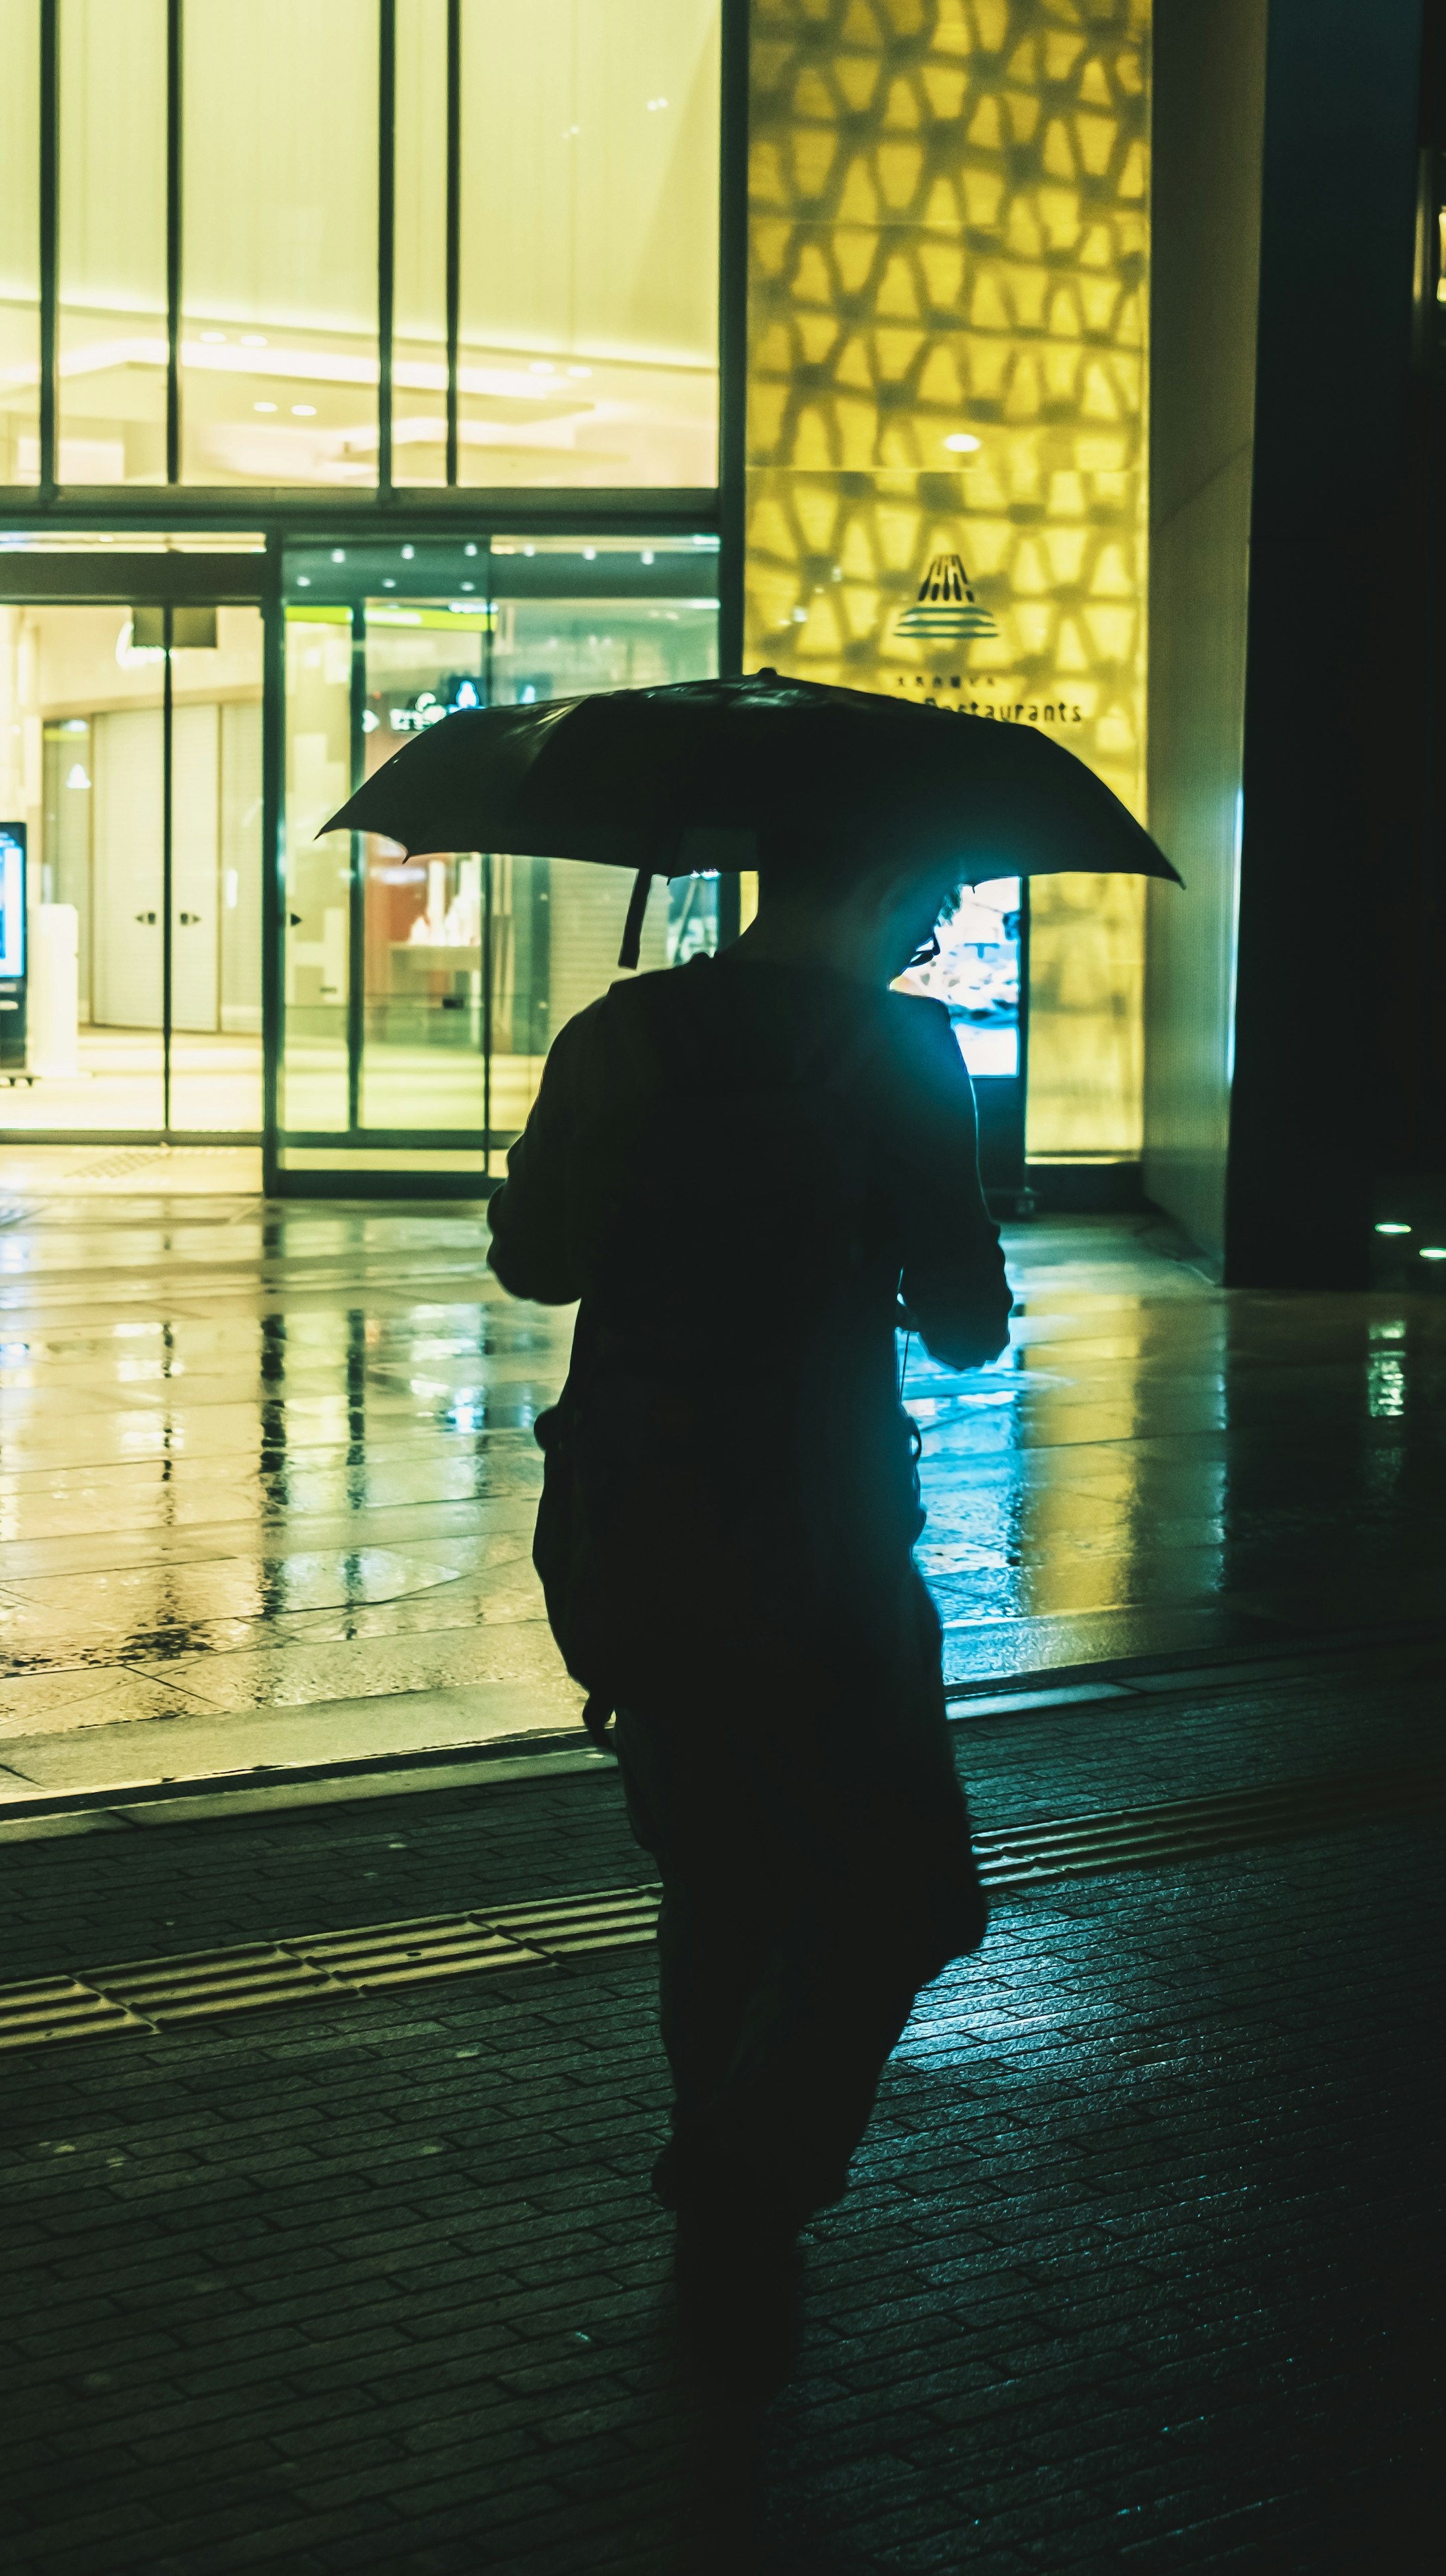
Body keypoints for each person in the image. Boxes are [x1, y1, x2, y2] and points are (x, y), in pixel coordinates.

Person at [486, 832, 1013, 2387]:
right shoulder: (910, 1054)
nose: (933, 935)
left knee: (717, 1878)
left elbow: (539, 1265)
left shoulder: (623, 1031)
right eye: (926, 901)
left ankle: (722, 2201)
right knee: (913, 1894)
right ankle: (748, 2179)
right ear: (861, 886)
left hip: (637, 1528)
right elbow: (972, 1330)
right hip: (828, 1538)